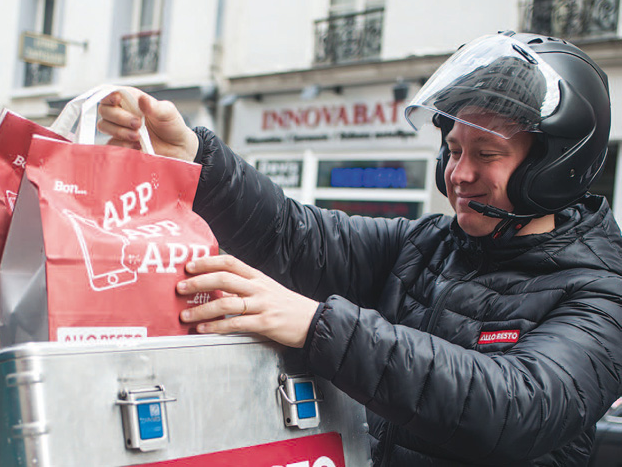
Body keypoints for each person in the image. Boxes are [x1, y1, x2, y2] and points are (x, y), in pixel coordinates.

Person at [98, 31, 622, 466]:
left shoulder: (604, 291)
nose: (460, 174)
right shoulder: (426, 245)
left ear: (555, 167)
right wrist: (194, 159)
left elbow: (515, 407)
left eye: (487, 154)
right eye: (455, 150)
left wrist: (315, 323)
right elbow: (293, 235)